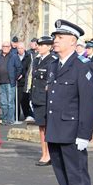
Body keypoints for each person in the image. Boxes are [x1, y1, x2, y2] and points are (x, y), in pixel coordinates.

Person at [45, 20, 93, 185]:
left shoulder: (82, 66)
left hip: (72, 133)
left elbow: (88, 103)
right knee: (63, 178)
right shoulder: (54, 64)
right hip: (56, 130)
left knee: (77, 178)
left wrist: (84, 134)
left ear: (72, 41)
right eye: (55, 37)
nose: (55, 40)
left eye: (60, 37)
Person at [30, 36, 57, 166]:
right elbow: (34, 80)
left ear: (49, 47)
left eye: (41, 45)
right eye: (38, 45)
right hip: (37, 97)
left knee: (47, 127)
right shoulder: (36, 60)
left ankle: (48, 154)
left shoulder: (52, 61)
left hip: (46, 98)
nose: (39, 47)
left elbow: (51, 81)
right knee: (41, 127)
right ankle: (44, 153)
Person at [0, 42, 22, 125]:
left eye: (7, 46)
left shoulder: (14, 56)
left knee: (10, 102)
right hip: (1, 82)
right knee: (3, 102)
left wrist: (15, 77)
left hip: (10, 82)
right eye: (3, 46)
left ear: (10, 47)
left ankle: (10, 120)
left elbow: (19, 68)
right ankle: (5, 119)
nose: (5, 47)